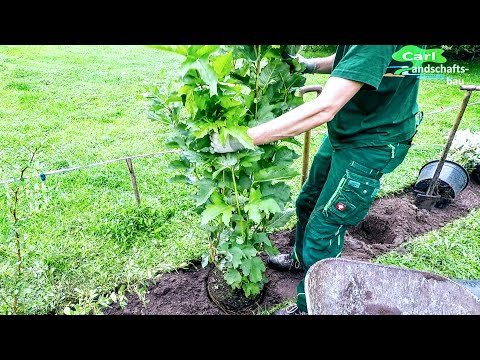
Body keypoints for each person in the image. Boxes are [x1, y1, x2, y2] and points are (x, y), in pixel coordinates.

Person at [210, 45, 425, 315]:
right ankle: (301, 261)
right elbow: (354, 59)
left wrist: (240, 138)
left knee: (324, 227)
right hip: (348, 131)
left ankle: (310, 306)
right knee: (308, 201)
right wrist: (309, 65)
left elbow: (324, 108)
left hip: (372, 141)